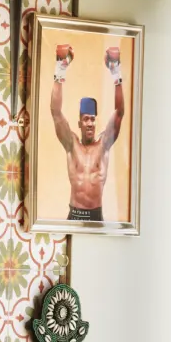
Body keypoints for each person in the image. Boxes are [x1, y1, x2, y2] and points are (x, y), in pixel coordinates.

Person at [50, 42, 125, 223]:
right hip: (74, 214)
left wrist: (116, 73)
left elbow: (119, 112)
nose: (90, 123)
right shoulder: (71, 144)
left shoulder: (103, 145)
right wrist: (60, 69)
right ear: (79, 123)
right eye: (86, 119)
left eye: (92, 119)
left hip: (96, 216)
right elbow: (55, 112)